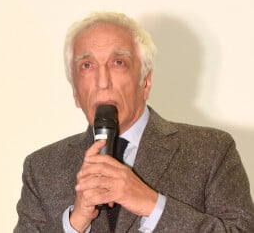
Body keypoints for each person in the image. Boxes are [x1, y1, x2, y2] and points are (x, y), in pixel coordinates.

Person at [14, 12, 254, 232]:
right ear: (75, 93)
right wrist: (74, 223)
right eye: (87, 66)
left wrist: (152, 205)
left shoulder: (212, 150)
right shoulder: (41, 168)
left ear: (146, 82)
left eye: (118, 62)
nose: (102, 81)